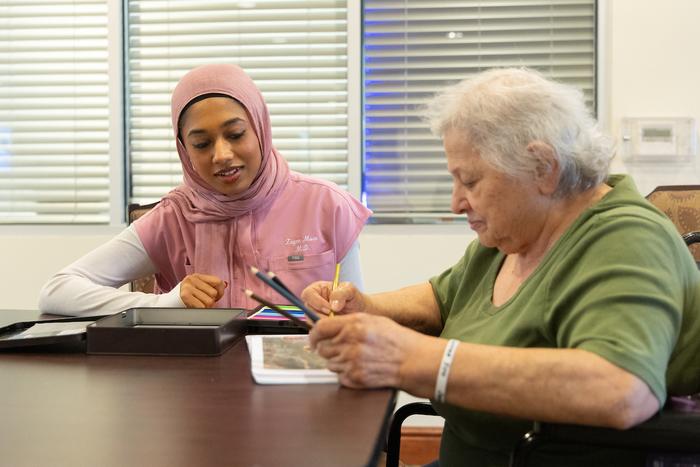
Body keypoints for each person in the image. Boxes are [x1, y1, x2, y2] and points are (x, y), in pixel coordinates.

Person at [302, 68, 700, 466]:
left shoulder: (626, 238)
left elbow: (621, 389)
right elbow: (442, 298)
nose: (456, 203)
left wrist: (415, 361)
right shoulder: (513, 237)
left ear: (543, 167)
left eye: (470, 182)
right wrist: (364, 307)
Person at [39, 63, 371, 315]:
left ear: (260, 128)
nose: (222, 155)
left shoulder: (327, 206)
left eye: (236, 134)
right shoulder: (174, 217)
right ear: (184, 150)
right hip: (197, 391)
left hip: (301, 389)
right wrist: (167, 302)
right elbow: (57, 291)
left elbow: (357, 316)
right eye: (201, 143)